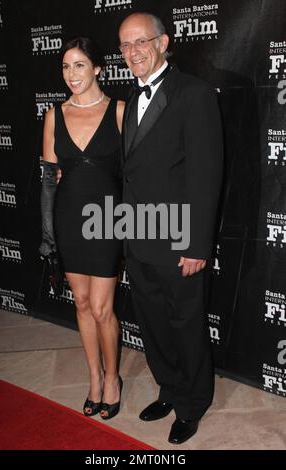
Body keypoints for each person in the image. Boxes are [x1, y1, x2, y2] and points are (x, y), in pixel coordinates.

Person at [119, 13, 223, 443]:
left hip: (179, 239)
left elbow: (206, 173)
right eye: (125, 45)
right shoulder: (130, 97)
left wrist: (197, 244)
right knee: (153, 324)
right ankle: (169, 388)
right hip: (138, 237)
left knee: (186, 324)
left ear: (164, 42)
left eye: (140, 42)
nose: (132, 52)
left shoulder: (194, 94)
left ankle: (193, 404)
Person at [39, 37, 125, 420]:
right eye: (65, 66)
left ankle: (113, 381)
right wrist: (47, 234)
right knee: (82, 303)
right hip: (70, 217)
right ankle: (94, 377)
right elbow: (47, 179)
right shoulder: (54, 114)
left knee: (104, 308)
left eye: (79, 65)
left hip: (108, 219)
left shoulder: (121, 111)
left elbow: (139, 173)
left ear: (98, 69)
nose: (71, 74)